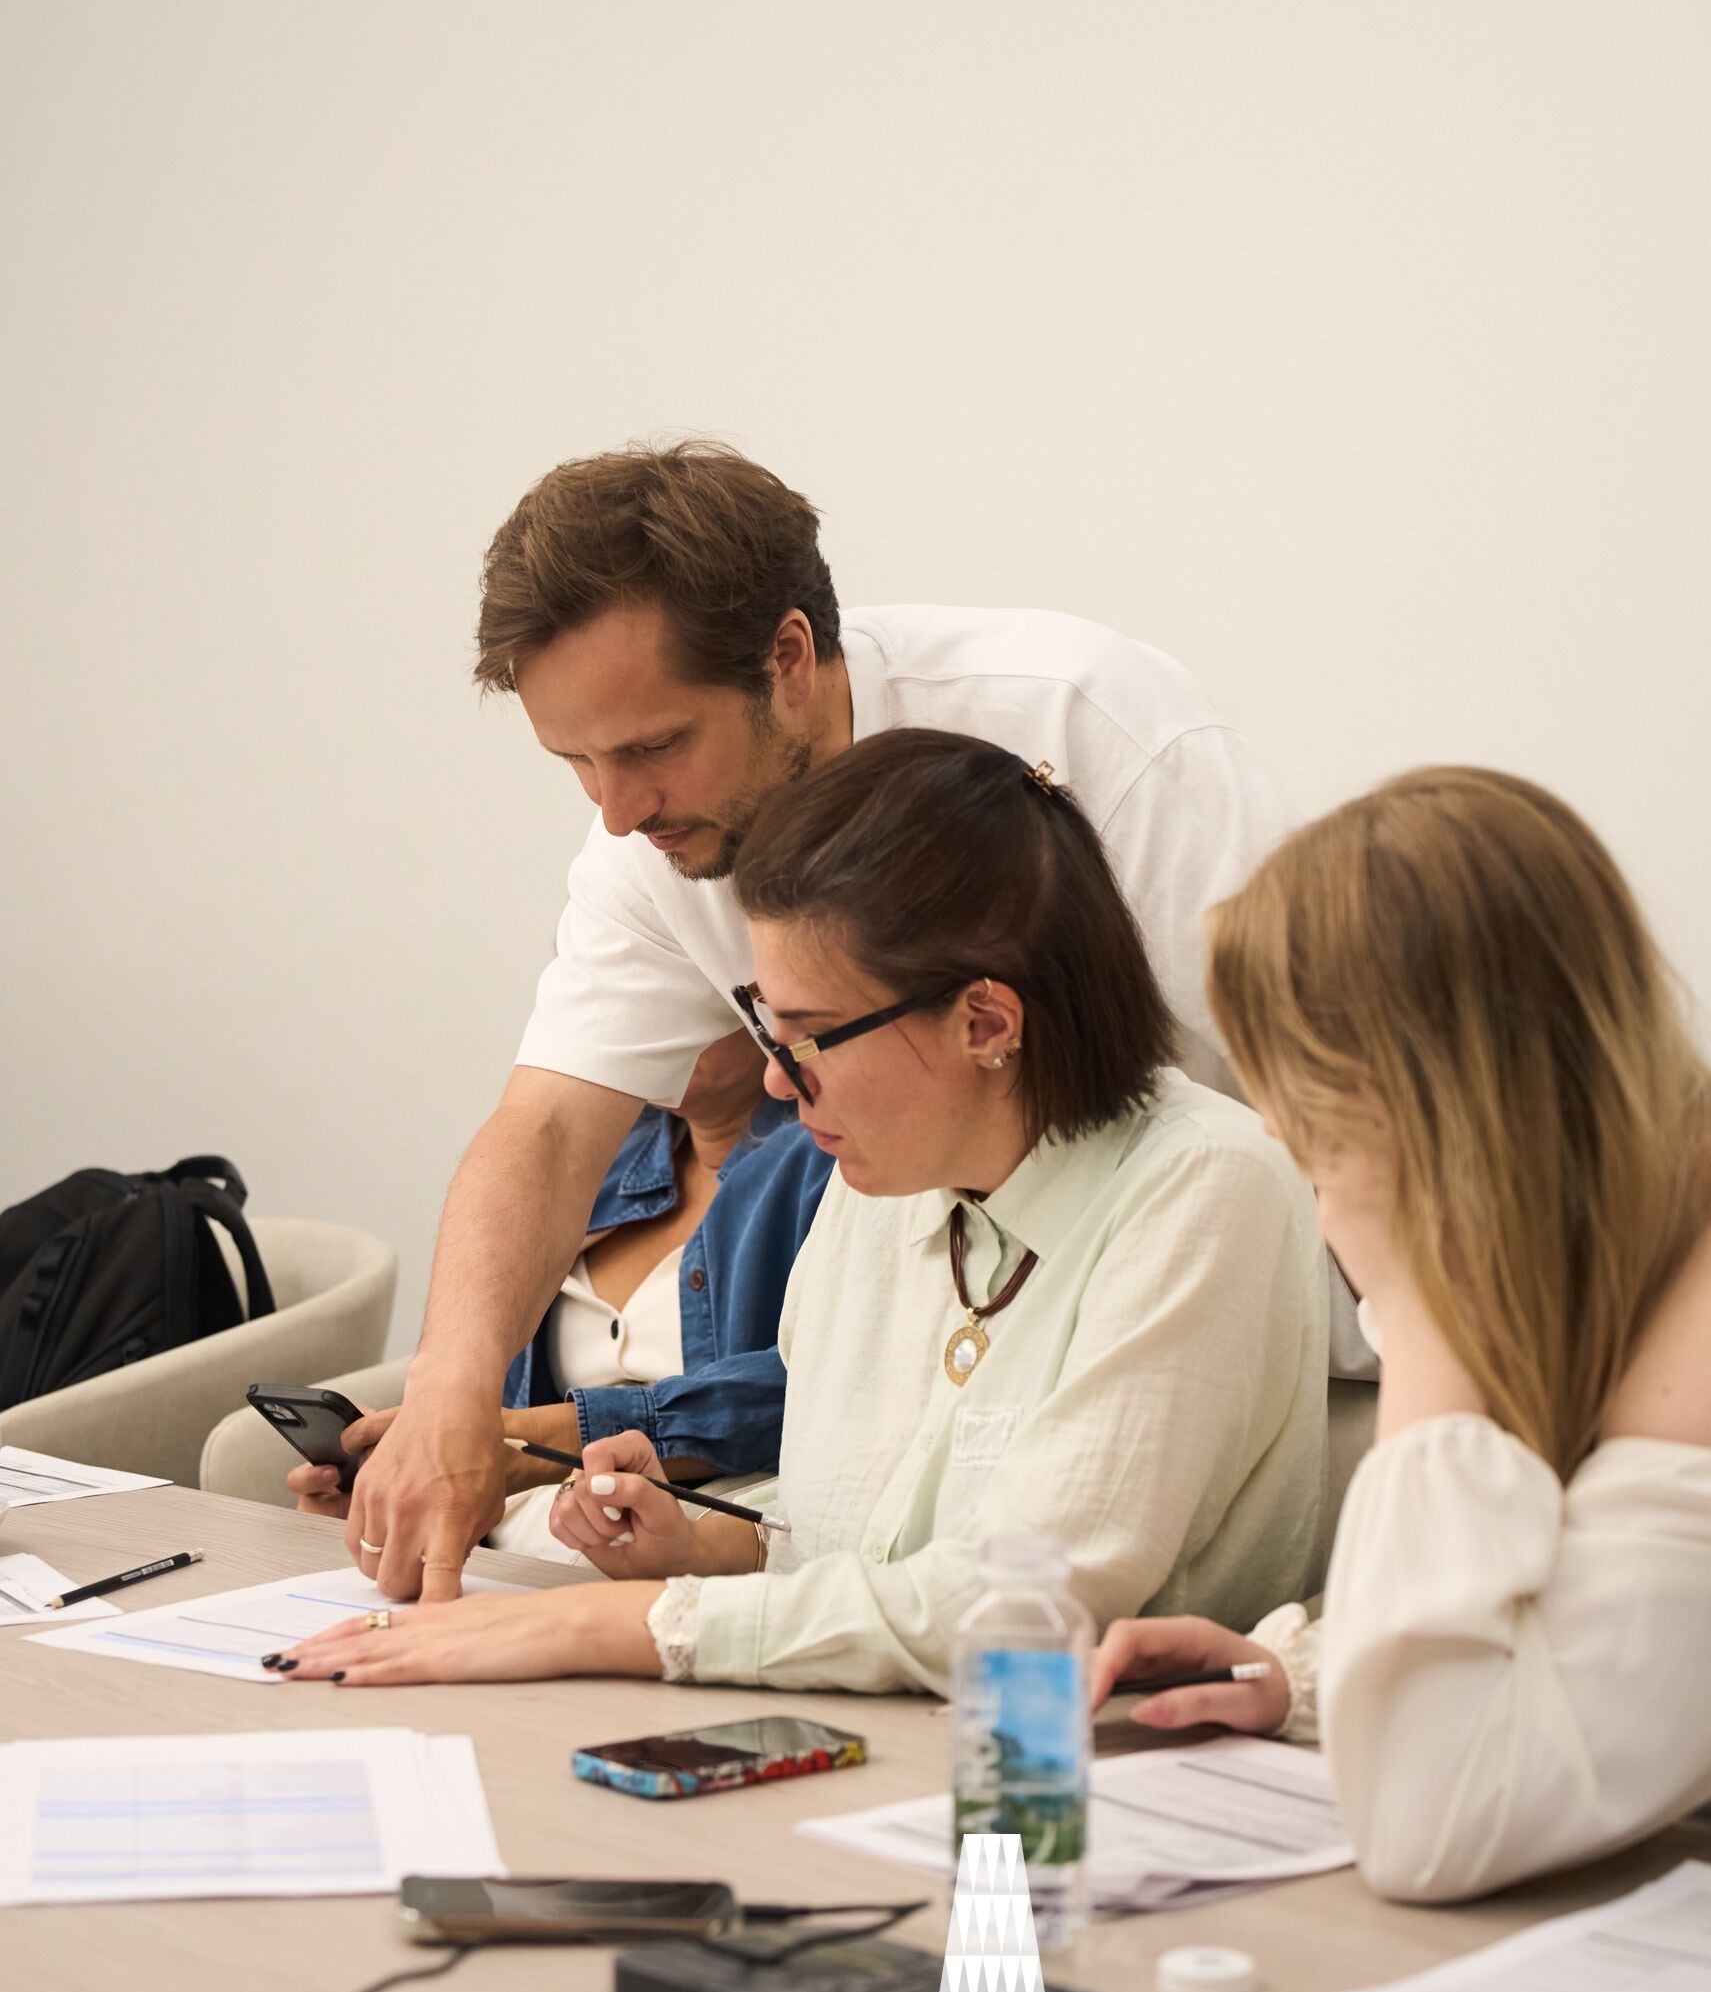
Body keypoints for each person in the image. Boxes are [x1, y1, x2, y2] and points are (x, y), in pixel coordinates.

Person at [349, 439, 1356, 1604]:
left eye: (652, 746)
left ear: (787, 659)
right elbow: (546, 1128)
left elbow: (1370, 1100)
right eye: (574, 760)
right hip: (972, 1357)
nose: (618, 811)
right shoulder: (658, 841)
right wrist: (451, 1389)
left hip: (1238, 1327)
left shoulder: (1087, 729)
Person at [268, 730, 1329, 1696]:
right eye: (766, 1029)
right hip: (878, 1743)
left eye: (810, 1037)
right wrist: (690, 1549)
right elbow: (854, 1542)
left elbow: (1017, 1608)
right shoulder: (888, 1181)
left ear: (984, 1022)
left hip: (1074, 1783)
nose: (778, 1082)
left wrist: (607, 1622)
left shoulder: (1204, 1185)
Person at [1089, 768, 1711, 1904]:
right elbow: (1581, 1625)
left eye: (1295, 1092)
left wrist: (1424, 1305)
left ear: (1414, 1101)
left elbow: (1430, 1829)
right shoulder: (1631, 1214)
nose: (1277, 1135)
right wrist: (1307, 1673)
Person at [285, 1031, 831, 1536]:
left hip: (695, 1535)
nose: (651, 1023)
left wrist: (537, 1442)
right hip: (515, 1530)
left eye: (691, 990)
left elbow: (822, 1388)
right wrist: (403, 1479)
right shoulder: (597, 1147)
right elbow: (491, 1384)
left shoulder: (830, 1162)